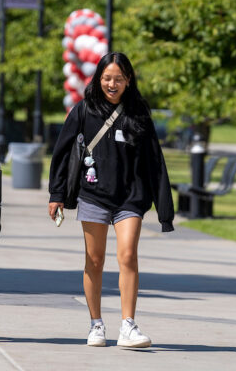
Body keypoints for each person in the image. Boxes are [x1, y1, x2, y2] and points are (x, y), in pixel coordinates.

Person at [48, 52, 174, 348]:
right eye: (107, 78)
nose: (112, 84)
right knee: (94, 260)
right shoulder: (84, 110)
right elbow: (62, 152)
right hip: (94, 194)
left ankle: (128, 326)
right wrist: (56, 194)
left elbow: (154, 159)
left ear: (128, 80)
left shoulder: (139, 112)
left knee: (128, 255)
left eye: (118, 78)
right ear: (98, 79)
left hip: (131, 197)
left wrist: (163, 208)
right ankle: (96, 324)